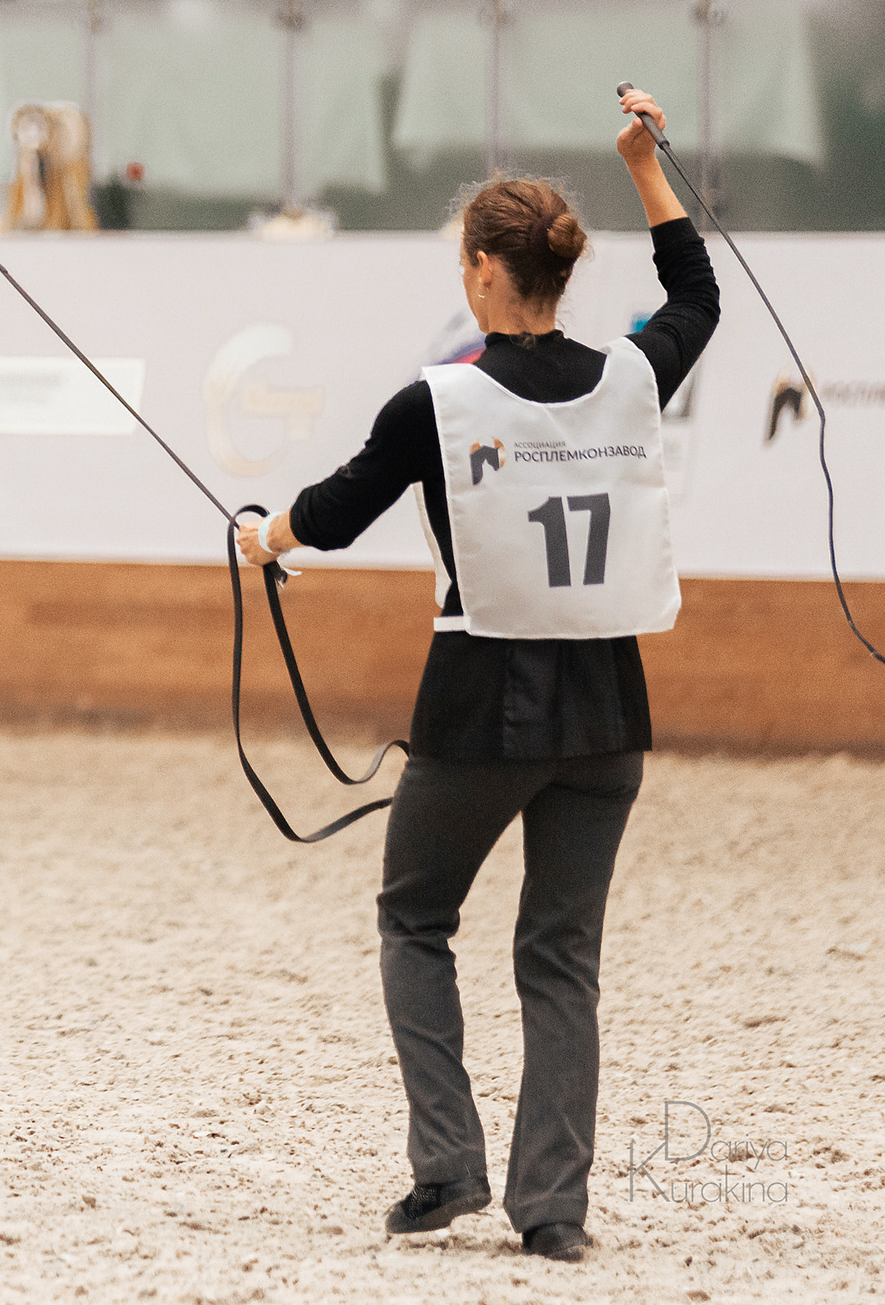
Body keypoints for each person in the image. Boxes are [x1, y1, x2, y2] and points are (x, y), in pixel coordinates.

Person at [238, 87, 717, 1266]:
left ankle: (444, 1165)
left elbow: (336, 514)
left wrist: (264, 536)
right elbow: (695, 296)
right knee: (560, 957)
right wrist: (646, 164)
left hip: (477, 708)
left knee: (414, 915)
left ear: (480, 274)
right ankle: (551, 1205)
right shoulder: (631, 377)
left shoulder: (437, 400)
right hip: (608, 715)